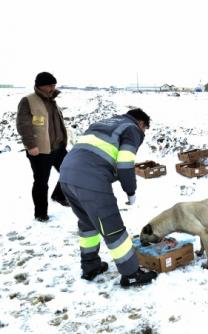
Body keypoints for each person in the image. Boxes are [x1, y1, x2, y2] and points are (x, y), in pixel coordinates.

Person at [59, 108, 157, 287]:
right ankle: (131, 274)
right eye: (145, 129)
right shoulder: (132, 129)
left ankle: (90, 266)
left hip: (66, 174)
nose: (143, 133)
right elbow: (125, 163)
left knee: (88, 223)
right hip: (90, 178)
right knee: (112, 226)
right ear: (141, 123)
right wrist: (131, 191)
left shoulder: (103, 124)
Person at [16, 72, 70, 222]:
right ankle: (40, 213)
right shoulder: (28, 101)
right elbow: (23, 125)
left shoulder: (52, 100)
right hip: (40, 150)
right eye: (50, 85)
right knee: (41, 182)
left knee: (70, 172)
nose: (53, 87)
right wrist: (30, 145)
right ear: (40, 85)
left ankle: (59, 195)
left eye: (54, 85)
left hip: (58, 147)